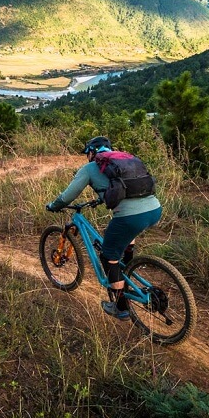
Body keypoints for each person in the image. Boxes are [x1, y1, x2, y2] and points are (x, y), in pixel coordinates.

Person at [45, 136, 161, 320]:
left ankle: (120, 306)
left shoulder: (91, 168)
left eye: (87, 153)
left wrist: (54, 205)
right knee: (121, 236)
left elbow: (69, 195)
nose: (87, 157)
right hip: (154, 209)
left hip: (130, 217)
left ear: (92, 152)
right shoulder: (124, 161)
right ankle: (126, 270)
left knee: (108, 255)